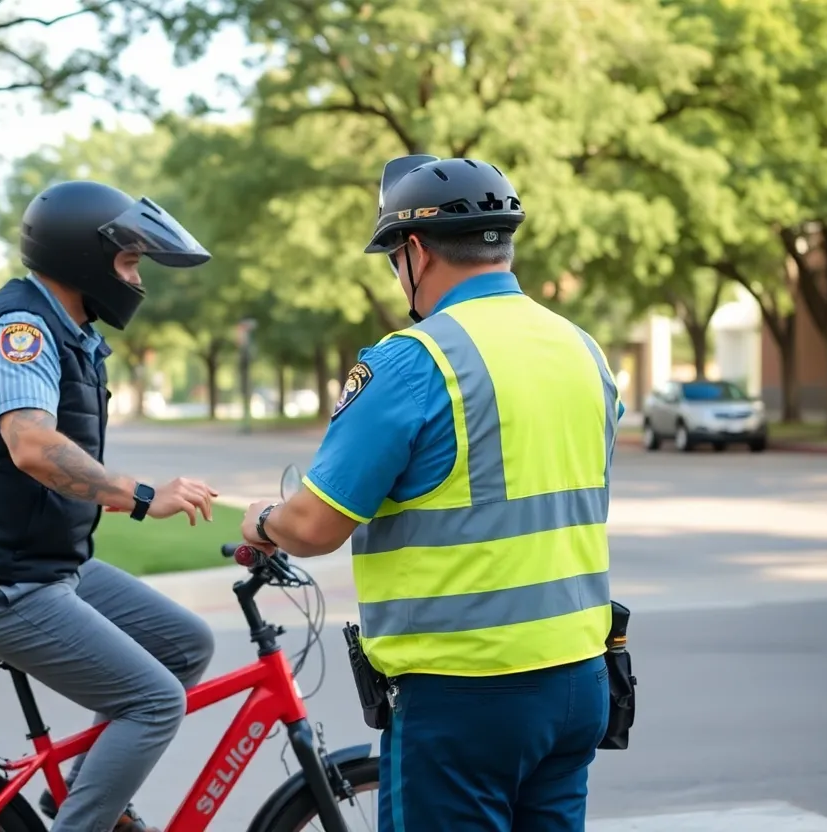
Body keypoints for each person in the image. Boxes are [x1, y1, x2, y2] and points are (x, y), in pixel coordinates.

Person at [239, 155, 625, 831]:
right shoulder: (582, 350)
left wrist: (262, 521)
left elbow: (315, 525)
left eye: (392, 257)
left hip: (466, 692)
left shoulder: (415, 359)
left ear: (414, 251)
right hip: (580, 676)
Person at [0, 180, 220, 832]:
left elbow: (42, 477)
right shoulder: (19, 331)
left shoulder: (71, 333)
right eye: (129, 261)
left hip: (35, 564)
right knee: (155, 702)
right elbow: (32, 448)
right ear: (86, 257)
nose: (137, 279)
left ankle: (80, 798)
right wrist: (141, 497)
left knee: (185, 645)